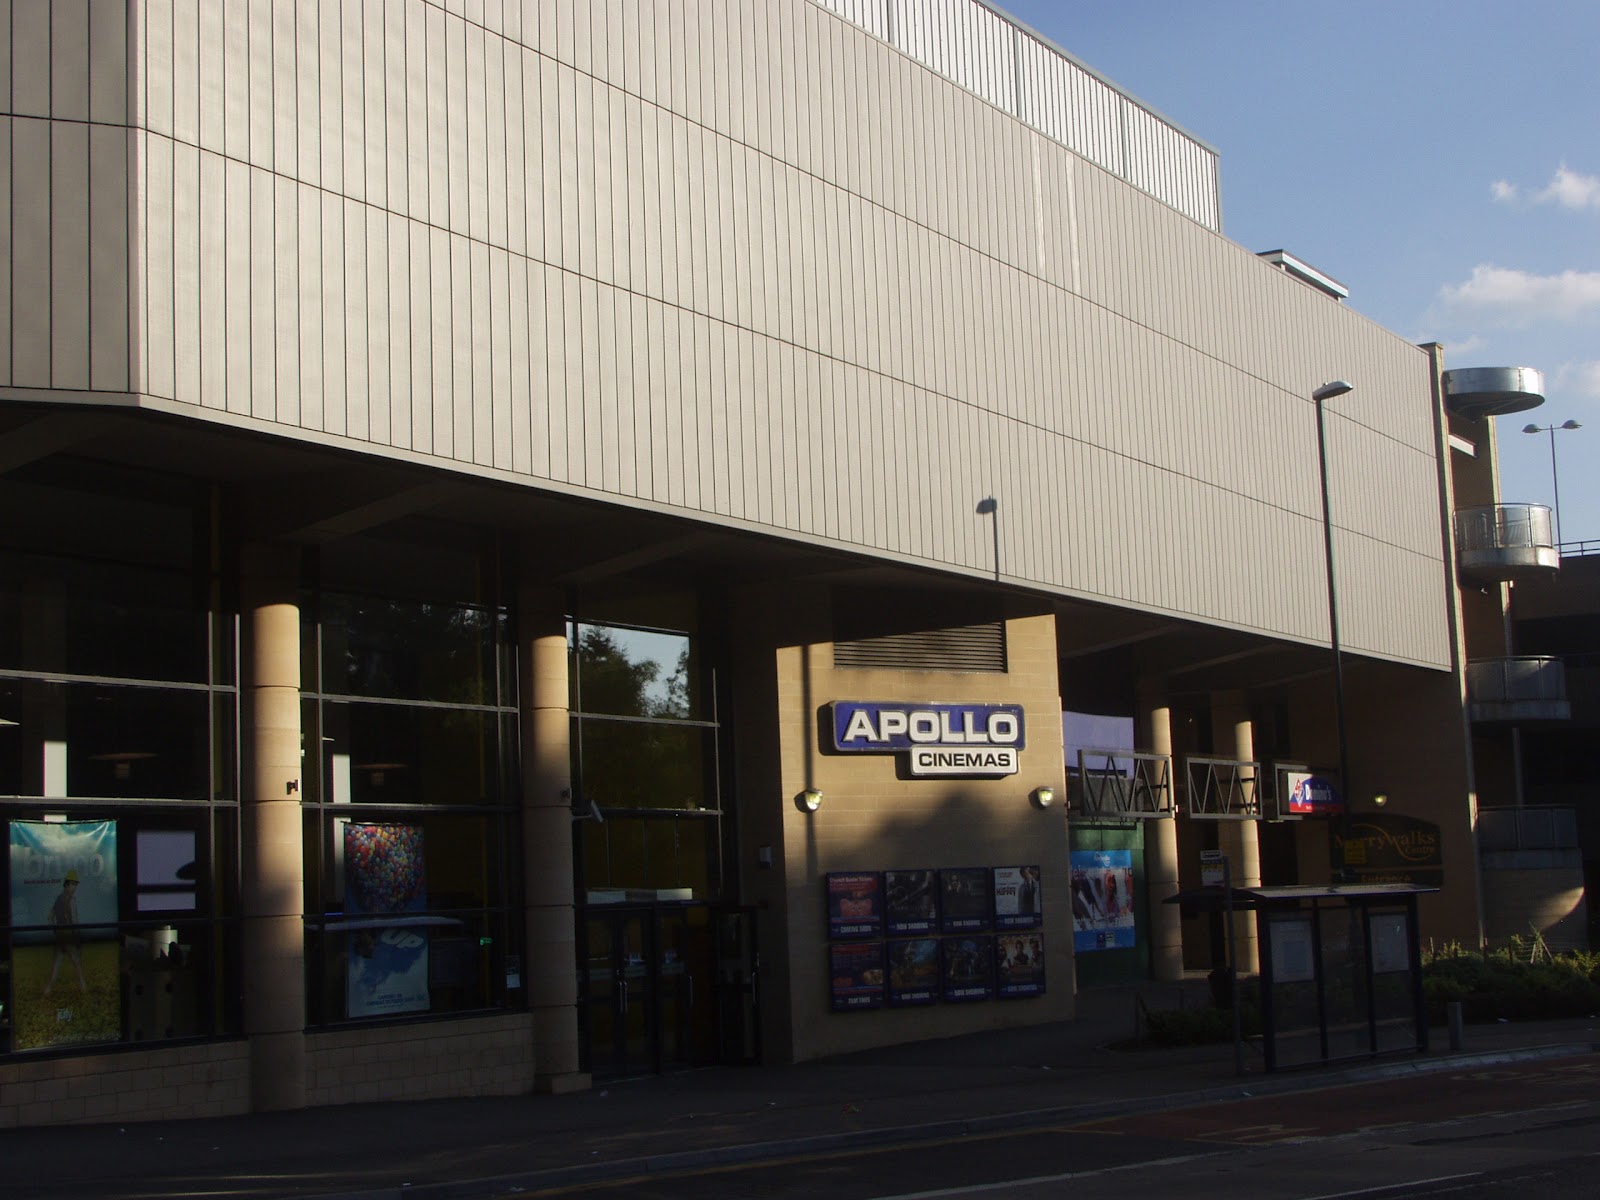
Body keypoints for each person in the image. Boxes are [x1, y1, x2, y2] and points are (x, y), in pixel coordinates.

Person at [43, 869, 89, 997]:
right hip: (69, 936)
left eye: (75, 885)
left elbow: (50, 916)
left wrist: (56, 930)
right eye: (72, 884)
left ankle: (48, 990)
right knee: (76, 961)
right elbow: (75, 921)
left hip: (59, 937)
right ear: (67, 884)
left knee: (57, 965)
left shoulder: (58, 898)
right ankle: (83, 987)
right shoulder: (71, 900)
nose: (74, 888)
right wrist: (78, 936)